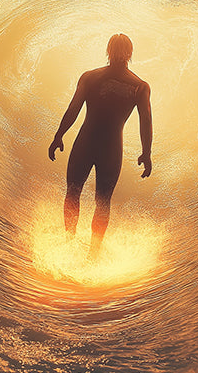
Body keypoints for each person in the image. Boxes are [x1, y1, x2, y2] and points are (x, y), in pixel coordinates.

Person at [48, 33, 152, 258]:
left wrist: (59, 136)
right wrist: (146, 153)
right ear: (130, 54)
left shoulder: (90, 77)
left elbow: (73, 110)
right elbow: (146, 122)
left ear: (107, 51)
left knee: (73, 193)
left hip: (85, 143)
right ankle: (92, 255)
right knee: (102, 202)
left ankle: (70, 244)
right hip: (111, 150)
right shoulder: (140, 87)